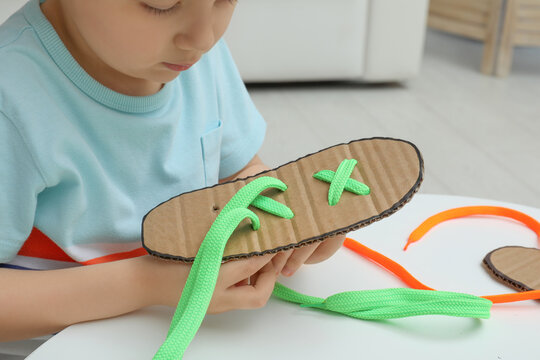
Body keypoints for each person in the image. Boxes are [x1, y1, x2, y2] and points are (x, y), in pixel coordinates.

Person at [0, 0, 345, 343]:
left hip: (183, 331)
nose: (203, 37)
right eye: (161, 4)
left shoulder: (194, 58)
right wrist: (148, 283)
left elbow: (240, 172)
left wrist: (284, 222)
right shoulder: (11, 98)